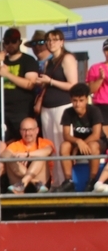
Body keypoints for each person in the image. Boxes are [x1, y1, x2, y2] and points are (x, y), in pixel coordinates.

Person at [36, 29, 79, 187]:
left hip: (62, 106)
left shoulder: (67, 58)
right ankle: (55, 182)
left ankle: (67, 180)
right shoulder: (49, 61)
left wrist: (51, 82)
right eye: (49, 40)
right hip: (47, 108)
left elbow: (73, 85)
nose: (51, 43)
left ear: (62, 42)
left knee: (62, 143)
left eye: (55, 40)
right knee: (50, 144)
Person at [0, 28, 40, 143]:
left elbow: (30, 84)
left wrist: (8, 75)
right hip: (4, 110)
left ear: (19, 42)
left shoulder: (28, 60)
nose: (10, 44)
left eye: (13, 41)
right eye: (7, 42)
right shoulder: (2, 62)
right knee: (3, 142)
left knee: (22, 141)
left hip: (22, 110)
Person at [58, 83, 103, 191]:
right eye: (74, 100)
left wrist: (78, 146)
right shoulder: (68, 112)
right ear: (71, 99)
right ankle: (68, 181)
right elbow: (66, 135)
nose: (77, 104)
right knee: (64, 146)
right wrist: (78, 141)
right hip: (79, 142)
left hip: (96, 142)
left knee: (93, 146)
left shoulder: (94, 111)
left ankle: (92, 181)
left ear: (86, 99)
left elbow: (96, 135)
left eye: (81, 100)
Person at [4, 118, 54, 193]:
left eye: (30, 129)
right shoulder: (15, 144)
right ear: (20, 131)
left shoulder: (44, 142)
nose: (27, 133)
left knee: (41, 157)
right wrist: (16, 158)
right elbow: (4, 154)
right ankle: (32, 182)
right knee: (9, 158)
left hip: (42, 183)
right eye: (24, 130)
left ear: (37, 130)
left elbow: (48, 151)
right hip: (21, 183)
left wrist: (26, 155)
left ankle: (24, 182)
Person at [87, 38, 108, 122]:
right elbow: (91, 90)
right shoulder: (95, 68)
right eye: (106, 50)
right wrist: (100, 79)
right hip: (101, 106)